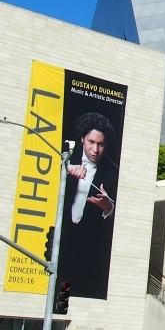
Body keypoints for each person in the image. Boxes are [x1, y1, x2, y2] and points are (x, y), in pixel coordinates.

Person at [57, 111, 120, 300]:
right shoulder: (65, 159)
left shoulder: (113, 173)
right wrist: (66, 170)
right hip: (59, 240)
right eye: (91, 142)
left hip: (89, 250)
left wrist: (108, 207)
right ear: (83, 139)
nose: (95, 150)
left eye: (101, 144)